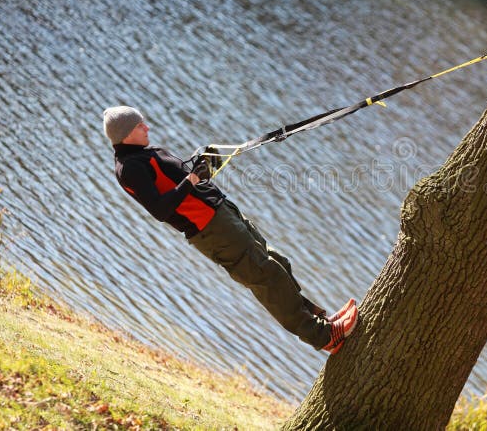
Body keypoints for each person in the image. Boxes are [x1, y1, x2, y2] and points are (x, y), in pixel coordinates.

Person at [103, 105, 358, 354]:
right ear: (125, 133)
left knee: (279, 263)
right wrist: (191, 179)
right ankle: (324, 337)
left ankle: (321, 322)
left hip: (224, 212)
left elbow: (181, 182)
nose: (147, 127)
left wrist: (202, 170)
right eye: (139, 125)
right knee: (266, 277)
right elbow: (160, 209)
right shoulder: (130, 168)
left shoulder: (148, 151)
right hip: (210, 229)